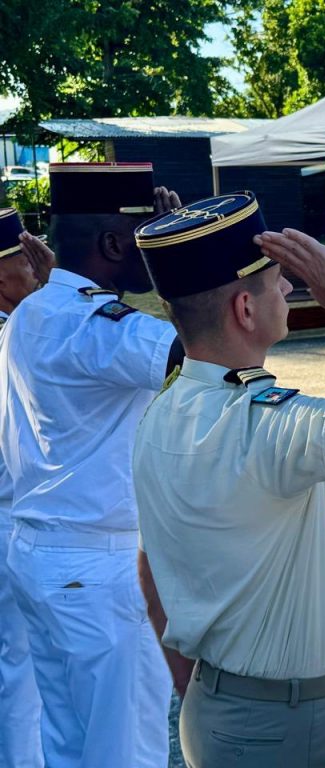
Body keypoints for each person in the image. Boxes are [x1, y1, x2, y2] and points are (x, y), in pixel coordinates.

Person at [132, 192, 325, 767]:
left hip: (215, 707)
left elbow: (151, 572)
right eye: (277, 284)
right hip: (280, 725)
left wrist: (204, 689)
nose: (290, 290)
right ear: (245, 310)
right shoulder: (264, 424)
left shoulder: (160, 411)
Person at [0, 162, 184, 768]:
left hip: (40, 555)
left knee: (66, 741)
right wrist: (176, 262)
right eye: (143, 235)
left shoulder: (32, 312)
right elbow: (213, 350)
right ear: (113, 243)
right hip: (98, 567)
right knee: (124, 749)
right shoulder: (102, 327)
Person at [0, 211, 54, 768]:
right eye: (25, 256)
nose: (37, 264)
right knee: (22, 671)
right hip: (13, 513)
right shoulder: (17, 333)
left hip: (20, 513)